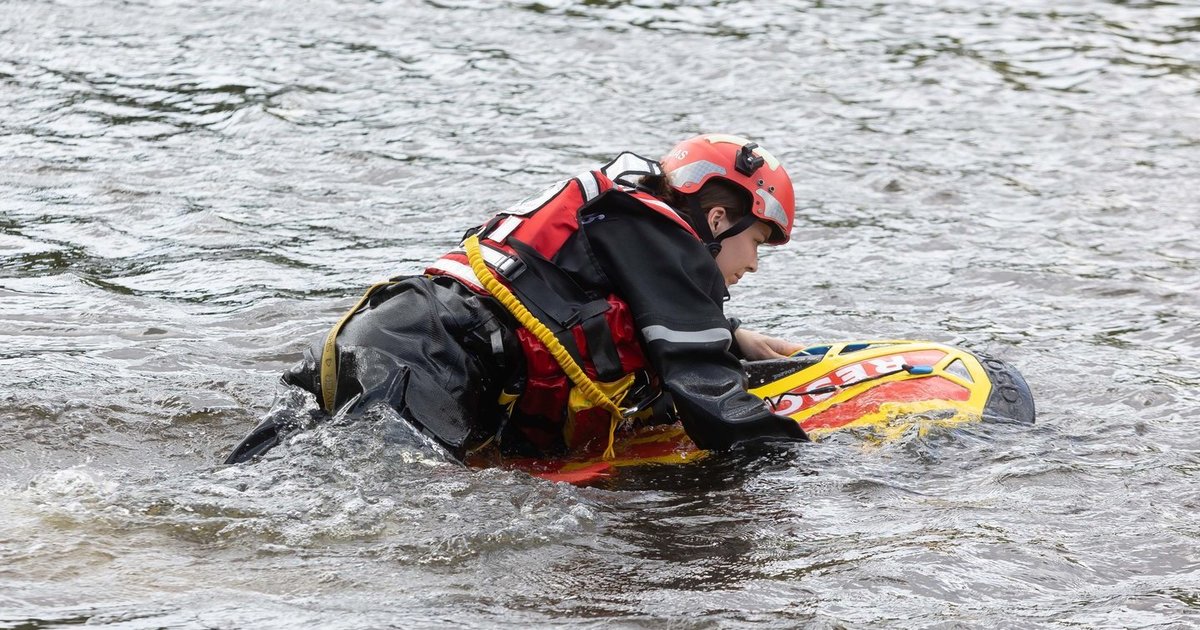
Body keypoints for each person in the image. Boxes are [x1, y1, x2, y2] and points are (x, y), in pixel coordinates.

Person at [225, 134, 810, 465]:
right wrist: (800, 461)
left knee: (281, 467)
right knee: (365, 493)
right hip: (432, 359)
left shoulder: (630, 215)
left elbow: (603, 302)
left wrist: (732, 337)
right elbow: (707, 390)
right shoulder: (665, 239)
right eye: (757, 243)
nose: (753, 265)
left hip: (392, 334)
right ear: (716, 219)